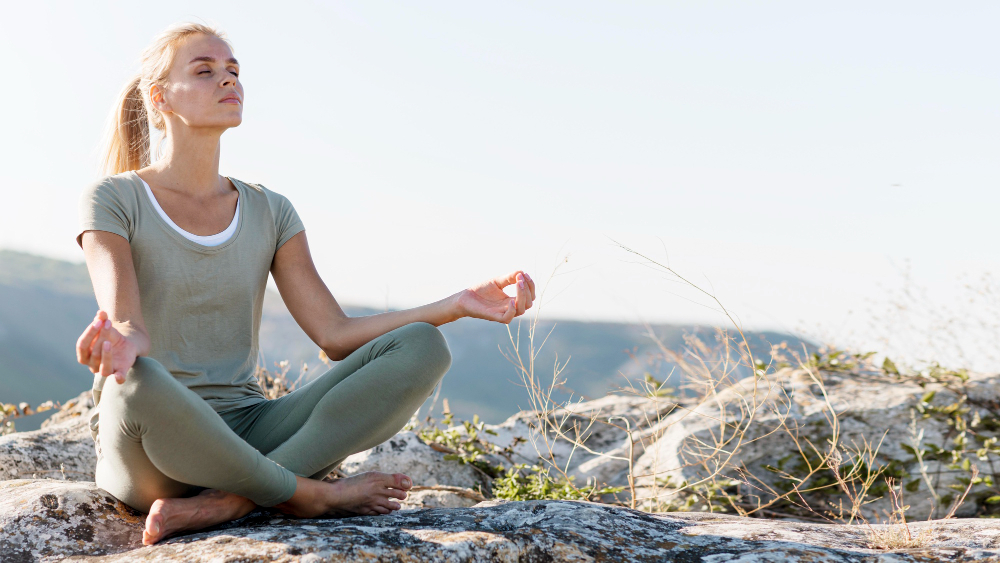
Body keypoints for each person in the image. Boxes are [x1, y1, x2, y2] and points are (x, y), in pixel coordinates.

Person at [75, 22, 535, 546]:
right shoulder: (113, 199)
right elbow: (127, 323)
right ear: (160, 98)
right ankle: (309, 495)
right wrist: (121, 343)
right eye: (204, 71)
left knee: (424, 345)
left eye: (233, 71)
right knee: (138, 379)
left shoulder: (271, 211)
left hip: (250, 429)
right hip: (152, 450)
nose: (228, 81)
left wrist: (456, 304)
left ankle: (232, 502)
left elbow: (334, 335)